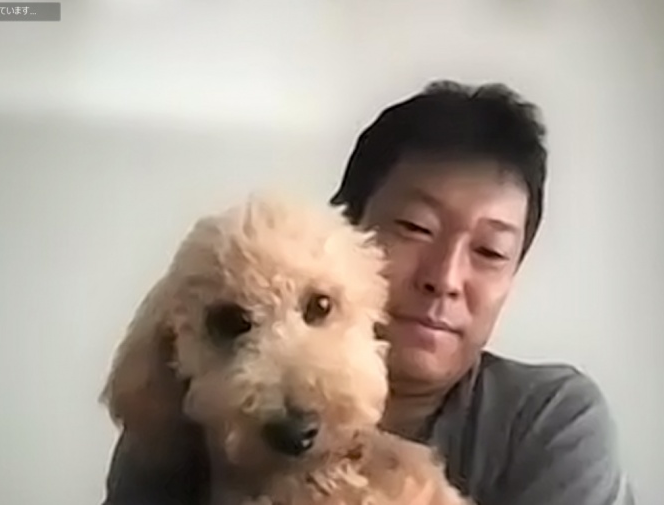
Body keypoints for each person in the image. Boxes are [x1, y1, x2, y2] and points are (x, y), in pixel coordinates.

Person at [102, 80, 633, 505]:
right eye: (415, 227)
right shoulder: (183, 421)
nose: (445, 278)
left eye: (490, 252)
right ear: (350, 229)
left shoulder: (548, 421)